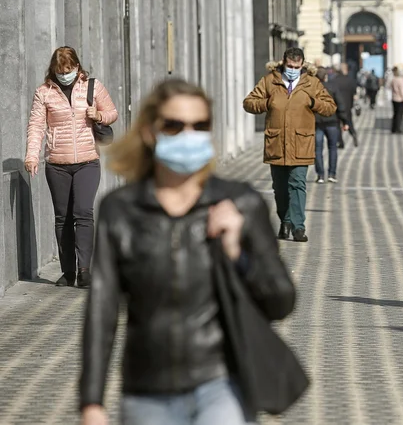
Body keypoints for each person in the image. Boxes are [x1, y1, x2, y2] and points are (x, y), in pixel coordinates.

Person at [79, 79, 297, 425]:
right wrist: (91, 401)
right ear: (151, 132)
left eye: (200, 126)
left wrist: (237, 251)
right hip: (146, 388)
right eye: (174, 125)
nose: (188, 135)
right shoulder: (121, 210)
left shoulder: (239, 203)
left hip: (221, 381)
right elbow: (102, 309)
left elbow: (281, 301)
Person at [25, 46, 118, 288]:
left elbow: (112, 112)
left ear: (77, 66)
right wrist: (31, 156)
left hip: (87, 161)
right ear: (53, 70)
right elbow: (36, 126)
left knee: (84, 213)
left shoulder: (91, 86)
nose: (64, 74)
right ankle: (67, 272)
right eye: (60, 70)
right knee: (62, 218)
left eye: (69, 69)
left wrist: (98, 115)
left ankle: (84, 270)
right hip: (57, 164)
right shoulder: (44, 93)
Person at [243, 47, 336, 243]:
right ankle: (284, 221)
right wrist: (266, 103)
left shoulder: (312, 83)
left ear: (302, 65)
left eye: (297, 66)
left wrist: (313, 102)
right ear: (283, 63)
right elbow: (249, 102)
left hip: (301, 142)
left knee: (297, 184)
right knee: (280, 188)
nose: (293, 69)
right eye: (290, 66)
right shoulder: (270, 80)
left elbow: (330, 107)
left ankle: (298, 227)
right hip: (276, 143)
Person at [315, 69, 348, 183]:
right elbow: (340, 104)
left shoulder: (312, 89)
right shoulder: (333, 87)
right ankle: (332, 174)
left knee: (318, 149)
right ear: (326, 77)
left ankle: (320, 175)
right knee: (332, 148)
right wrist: (345, 121)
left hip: (317, 123)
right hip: (332, 121)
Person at [332, 63, 359, 148]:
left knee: (337, 124)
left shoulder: (334, 80)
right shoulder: (350, 80)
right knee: (349, 122)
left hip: (337, 105)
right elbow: (355, 93)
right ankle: (353, 133)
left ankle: (341, 142)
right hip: (348, 105)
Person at [389, 66, 403, 134]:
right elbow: (402, 91)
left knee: (395, 114)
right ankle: (398, 128)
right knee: (399, 115)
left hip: (394, 98)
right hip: (400, 99)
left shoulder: (393, 79)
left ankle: (393, 128)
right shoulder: (401, 80)